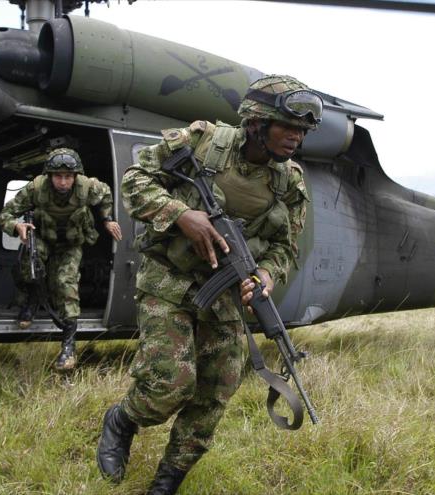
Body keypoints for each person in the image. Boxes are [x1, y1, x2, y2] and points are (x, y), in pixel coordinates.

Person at [96, 74, 321, 494]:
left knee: (215, 395)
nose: (295, 138)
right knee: (170, 386)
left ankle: (165, 484)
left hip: (226, 298)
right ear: (256, 122)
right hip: (169, 281)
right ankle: (122, 420)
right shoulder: (202, 140)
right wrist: (181, 214)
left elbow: (285, 248)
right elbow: (133, 180)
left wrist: (267, 275)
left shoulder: (290, 181)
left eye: (302, 131)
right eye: (287, 127)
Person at [0, 148, 122, 371]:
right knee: (30, 267)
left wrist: (107, 220)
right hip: (44, 238)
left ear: (75, 176)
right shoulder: (36, 188)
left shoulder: (88, 187)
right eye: (58, 176)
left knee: (66, 284)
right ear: (49, 175)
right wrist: (16, 226)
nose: (63, 182)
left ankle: (68, 346)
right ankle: (31, 299)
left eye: (68, 177)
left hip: (72, 245)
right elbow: (4, 216)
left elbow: (106, 195)